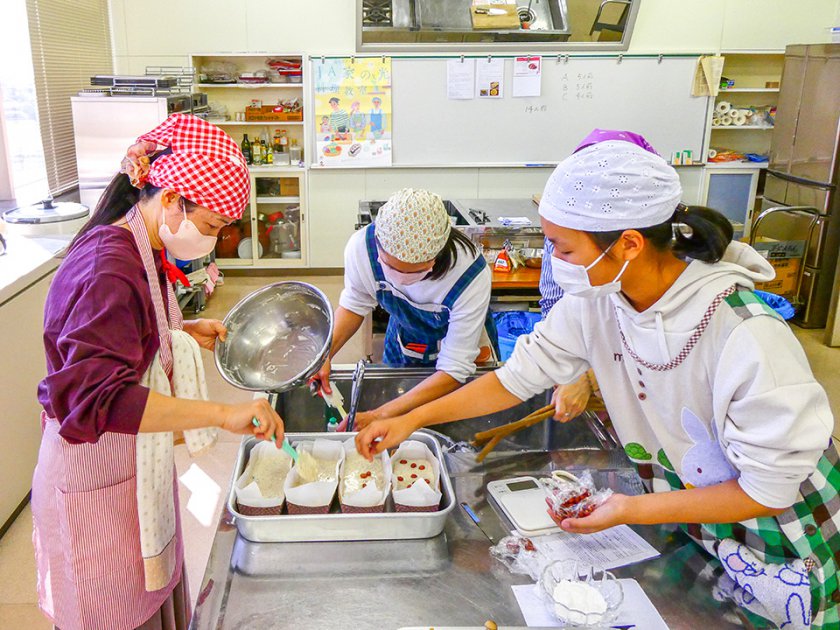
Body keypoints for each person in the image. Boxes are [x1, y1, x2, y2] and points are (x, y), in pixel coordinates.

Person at [357, 140, 839, 629]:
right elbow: (513, 380)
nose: (554, 260)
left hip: (787, 541)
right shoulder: (600, 302)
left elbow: (769, 489)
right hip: (703, 525)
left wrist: (629, 508)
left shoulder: (744, 333)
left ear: (629, 244)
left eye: (563, 248)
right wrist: (411, 418)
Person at [31, 113, 285, 630]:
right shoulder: (108, 266)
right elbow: (97, 400)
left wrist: (183, 332)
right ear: (171, 198)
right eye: (211, 226)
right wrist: (221, 413)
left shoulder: (138, 244)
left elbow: (120, 339)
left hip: (129, 467)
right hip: (95, 480)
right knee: (112, 613)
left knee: (151, 602)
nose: (212, 241)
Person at [314, 188, 496, 427]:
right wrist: (324, 355)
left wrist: (382, 414)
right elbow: (354, 305)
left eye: (414, 272)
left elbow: (455, 368)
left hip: (465, 350)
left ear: (436, 258)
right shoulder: (362, 249)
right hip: (405, 340)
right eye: (390, 267)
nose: (398, 279)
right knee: (398, 407)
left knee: (460, 423)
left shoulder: (469, 275)